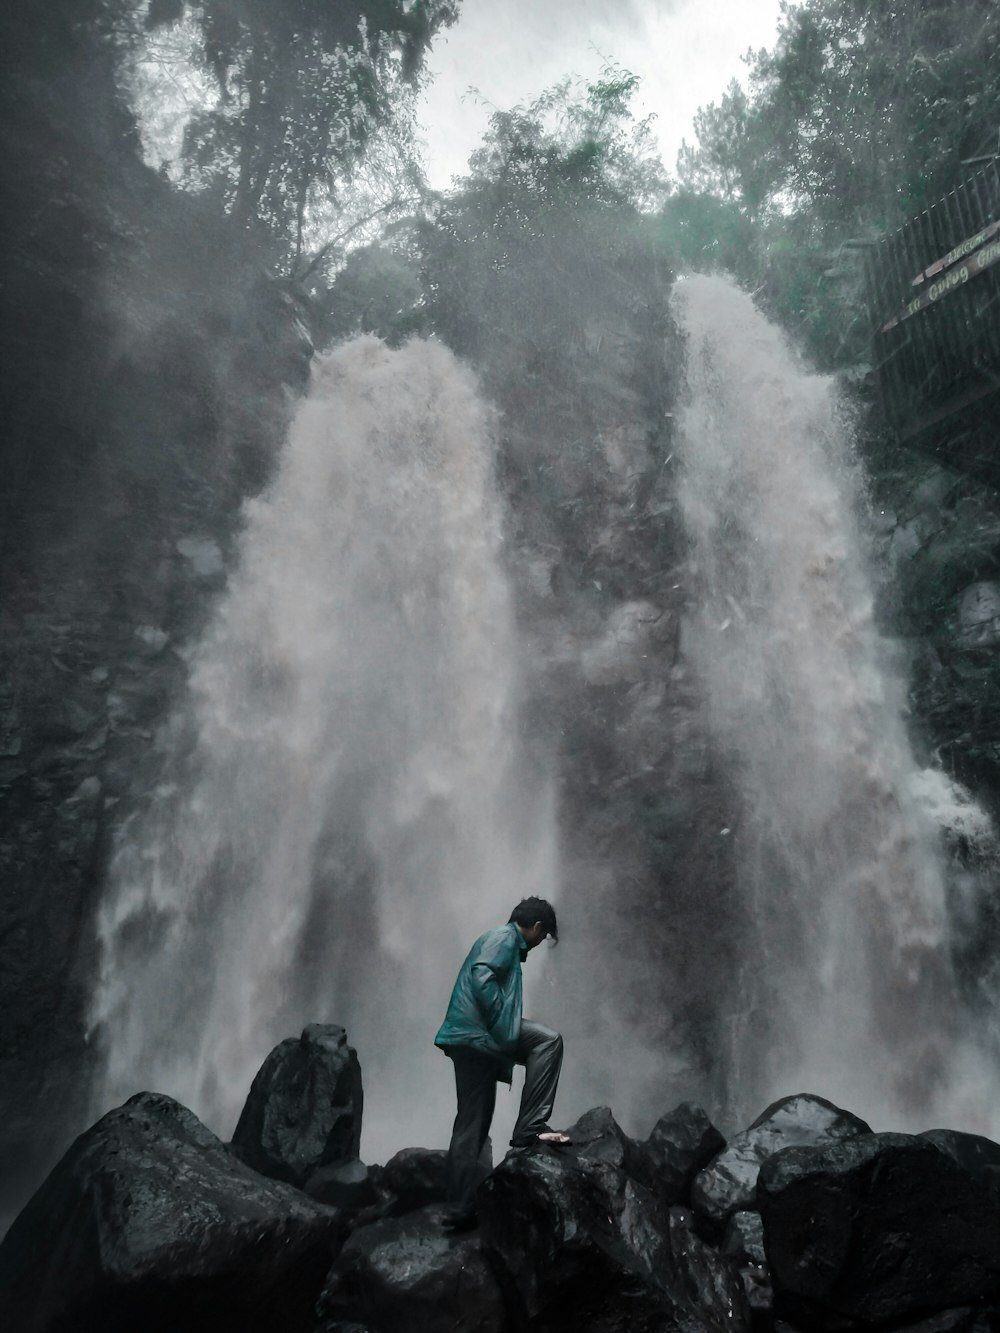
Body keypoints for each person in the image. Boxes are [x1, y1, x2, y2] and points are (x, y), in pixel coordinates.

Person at [434, 897, 570, 1227]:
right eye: (544, 936)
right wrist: (502, 1023)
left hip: (468, 1038)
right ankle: (530, 1128)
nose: (540, 944)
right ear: (537, 928)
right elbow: (482, 976)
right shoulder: (504, 938)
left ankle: (459, 1206)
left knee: (473, 1121)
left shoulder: (500, 939)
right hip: (477, 1036)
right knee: (548, 1041)